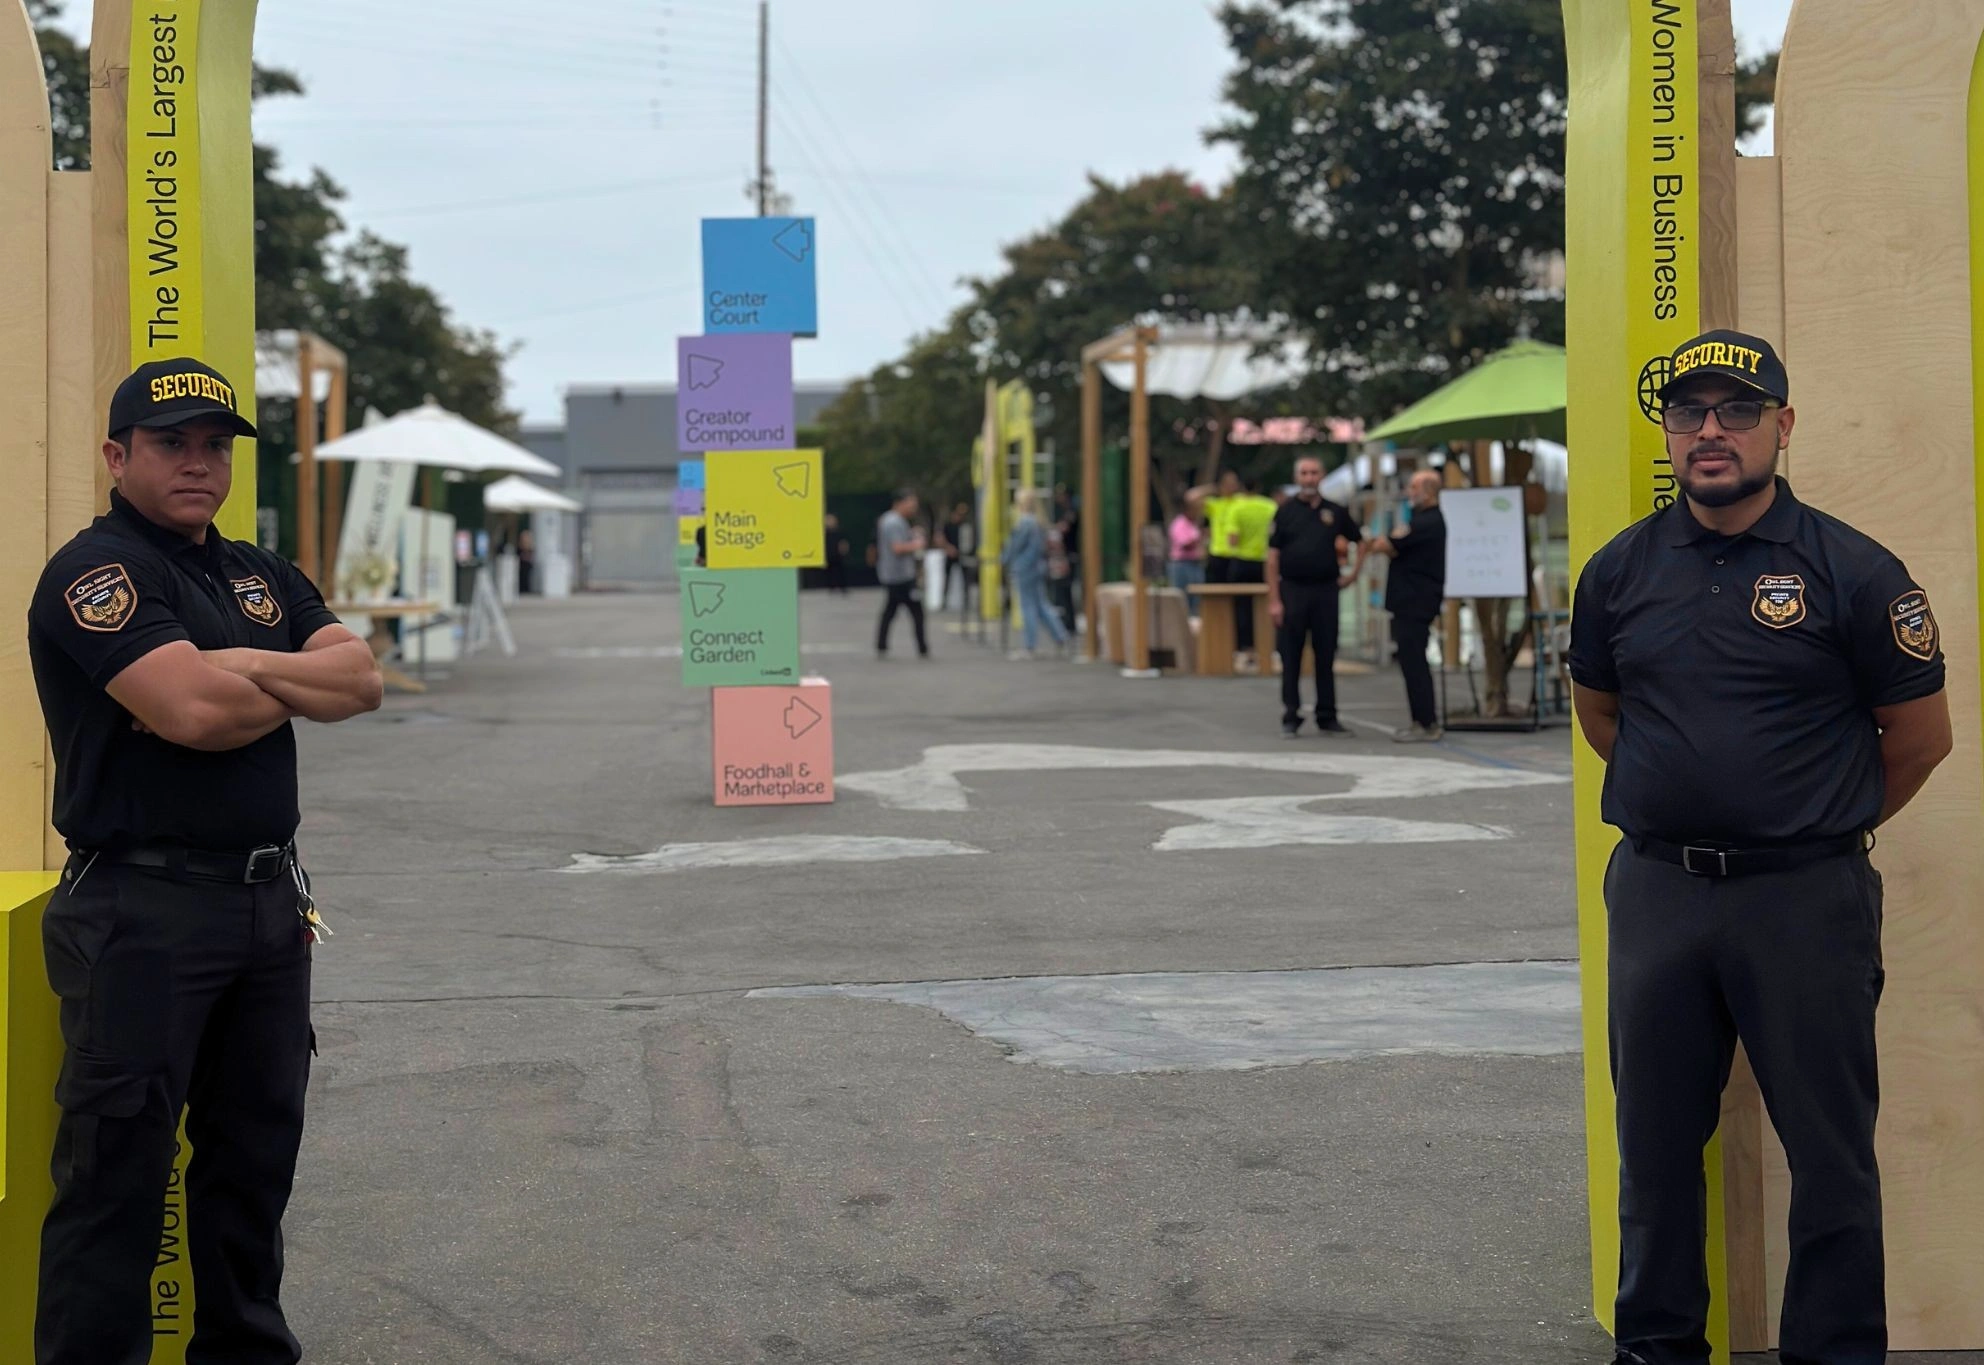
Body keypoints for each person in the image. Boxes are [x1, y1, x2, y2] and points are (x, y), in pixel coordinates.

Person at [1568, 329, 1952, 1365]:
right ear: (1667, 431)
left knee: (1828, 1162)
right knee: (1652, 1152)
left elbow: (1919, 740)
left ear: (1781, 426)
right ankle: (1655, 1347)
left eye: (1737, 411)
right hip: (1659, 895)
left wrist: (1815, 820)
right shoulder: (1616, 572)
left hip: (1804, 903)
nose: (1710, 431)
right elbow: (1603, 716)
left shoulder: (1856, 572)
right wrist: (1689, 799)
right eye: (1689, 411)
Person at [27, 357, 385, 1365]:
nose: (197, 464)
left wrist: (239, 665)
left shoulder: (260, 574)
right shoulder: (97, 575)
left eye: (214, 446)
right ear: (117, 453)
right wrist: (275, 680)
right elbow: (188, 712)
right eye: (170, 443)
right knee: (116, 1183)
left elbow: (359, 680)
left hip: (268, 908)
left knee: (251, 1168)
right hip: (141, 913)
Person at [1266, 455, 1361, 736]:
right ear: (1297, 478)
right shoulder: (1285, 512)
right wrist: (1274, 599)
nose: (1309, 478)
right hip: (1293, 590)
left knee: (1326, 654)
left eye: (1314, 472)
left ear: (1322, 476)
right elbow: (1272, 558)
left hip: (1326, 590)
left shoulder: (1335, 511)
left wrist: (1353, 574)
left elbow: (1360, 541)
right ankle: (1291, 715)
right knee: (1291, 655)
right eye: (1304, 473)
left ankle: (1327, 714)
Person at [1367, 469, 1447, 741]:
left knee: (1415, 664)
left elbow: (1386, 544)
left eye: (1414, 486)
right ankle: (1421, 720)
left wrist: (1386, 543)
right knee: (1412, 662)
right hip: (1412, 602)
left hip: (1415, 603)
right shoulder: (1424, 520)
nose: (1409, 491)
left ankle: (1426, 723)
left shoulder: (1426, 522)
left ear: (1428, 490)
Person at [1189, 471, 1278, 667]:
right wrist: (1212, 488)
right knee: (1223, 605)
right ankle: (1226, 646)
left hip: (1238, 556)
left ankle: (1249, 647)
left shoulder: (1239, 505)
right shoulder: (1217, 504)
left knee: (1244, 606)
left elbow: (1234, 536)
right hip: (1222, 557)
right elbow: (1192, 497)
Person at [1000, 489, 1070, 659]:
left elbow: (1015, 546)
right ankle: (1060, 636)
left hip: (1025, 568)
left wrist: (1004, 559)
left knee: (1028, 606)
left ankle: (1030, 645)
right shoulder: (1039, 521)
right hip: (1038, 567)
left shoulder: (1025, 523)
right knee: (1041, 604)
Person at [874, 488, 929, 658]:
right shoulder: (894, 522)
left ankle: (882, 644)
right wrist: (917, 544)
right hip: (900, 575)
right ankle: (922, 647)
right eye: (911, 504)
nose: (913, 508)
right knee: (915, 611)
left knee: (891, 610)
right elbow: (897, 547)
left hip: (894, 574)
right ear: (901, 503)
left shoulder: (892, 521)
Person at [1167, 499, 1207, 613]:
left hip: (1195, 564)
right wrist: (1200, 537)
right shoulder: (1179, 524)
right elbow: (1184, 545)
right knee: (1182, 598)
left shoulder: (1193, 525)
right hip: (1182, 565)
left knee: (1197, 598)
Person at [938, 501, 973, 610]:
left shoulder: (965, 526)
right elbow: (940, 538)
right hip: (950, 554)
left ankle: (967, 601)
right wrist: (948, 548)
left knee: (965, 579)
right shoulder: (948, 525)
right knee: (947, 578)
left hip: (962, 554)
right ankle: (943, 601)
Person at [822, 513, 850, 595]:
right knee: (829, 572)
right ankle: (831, 587)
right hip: (829, 555)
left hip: (838, 555)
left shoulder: (839, 531)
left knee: (840, 571)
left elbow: (843, 542)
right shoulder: (824, 533)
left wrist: (844, 550)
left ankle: (842, 587)